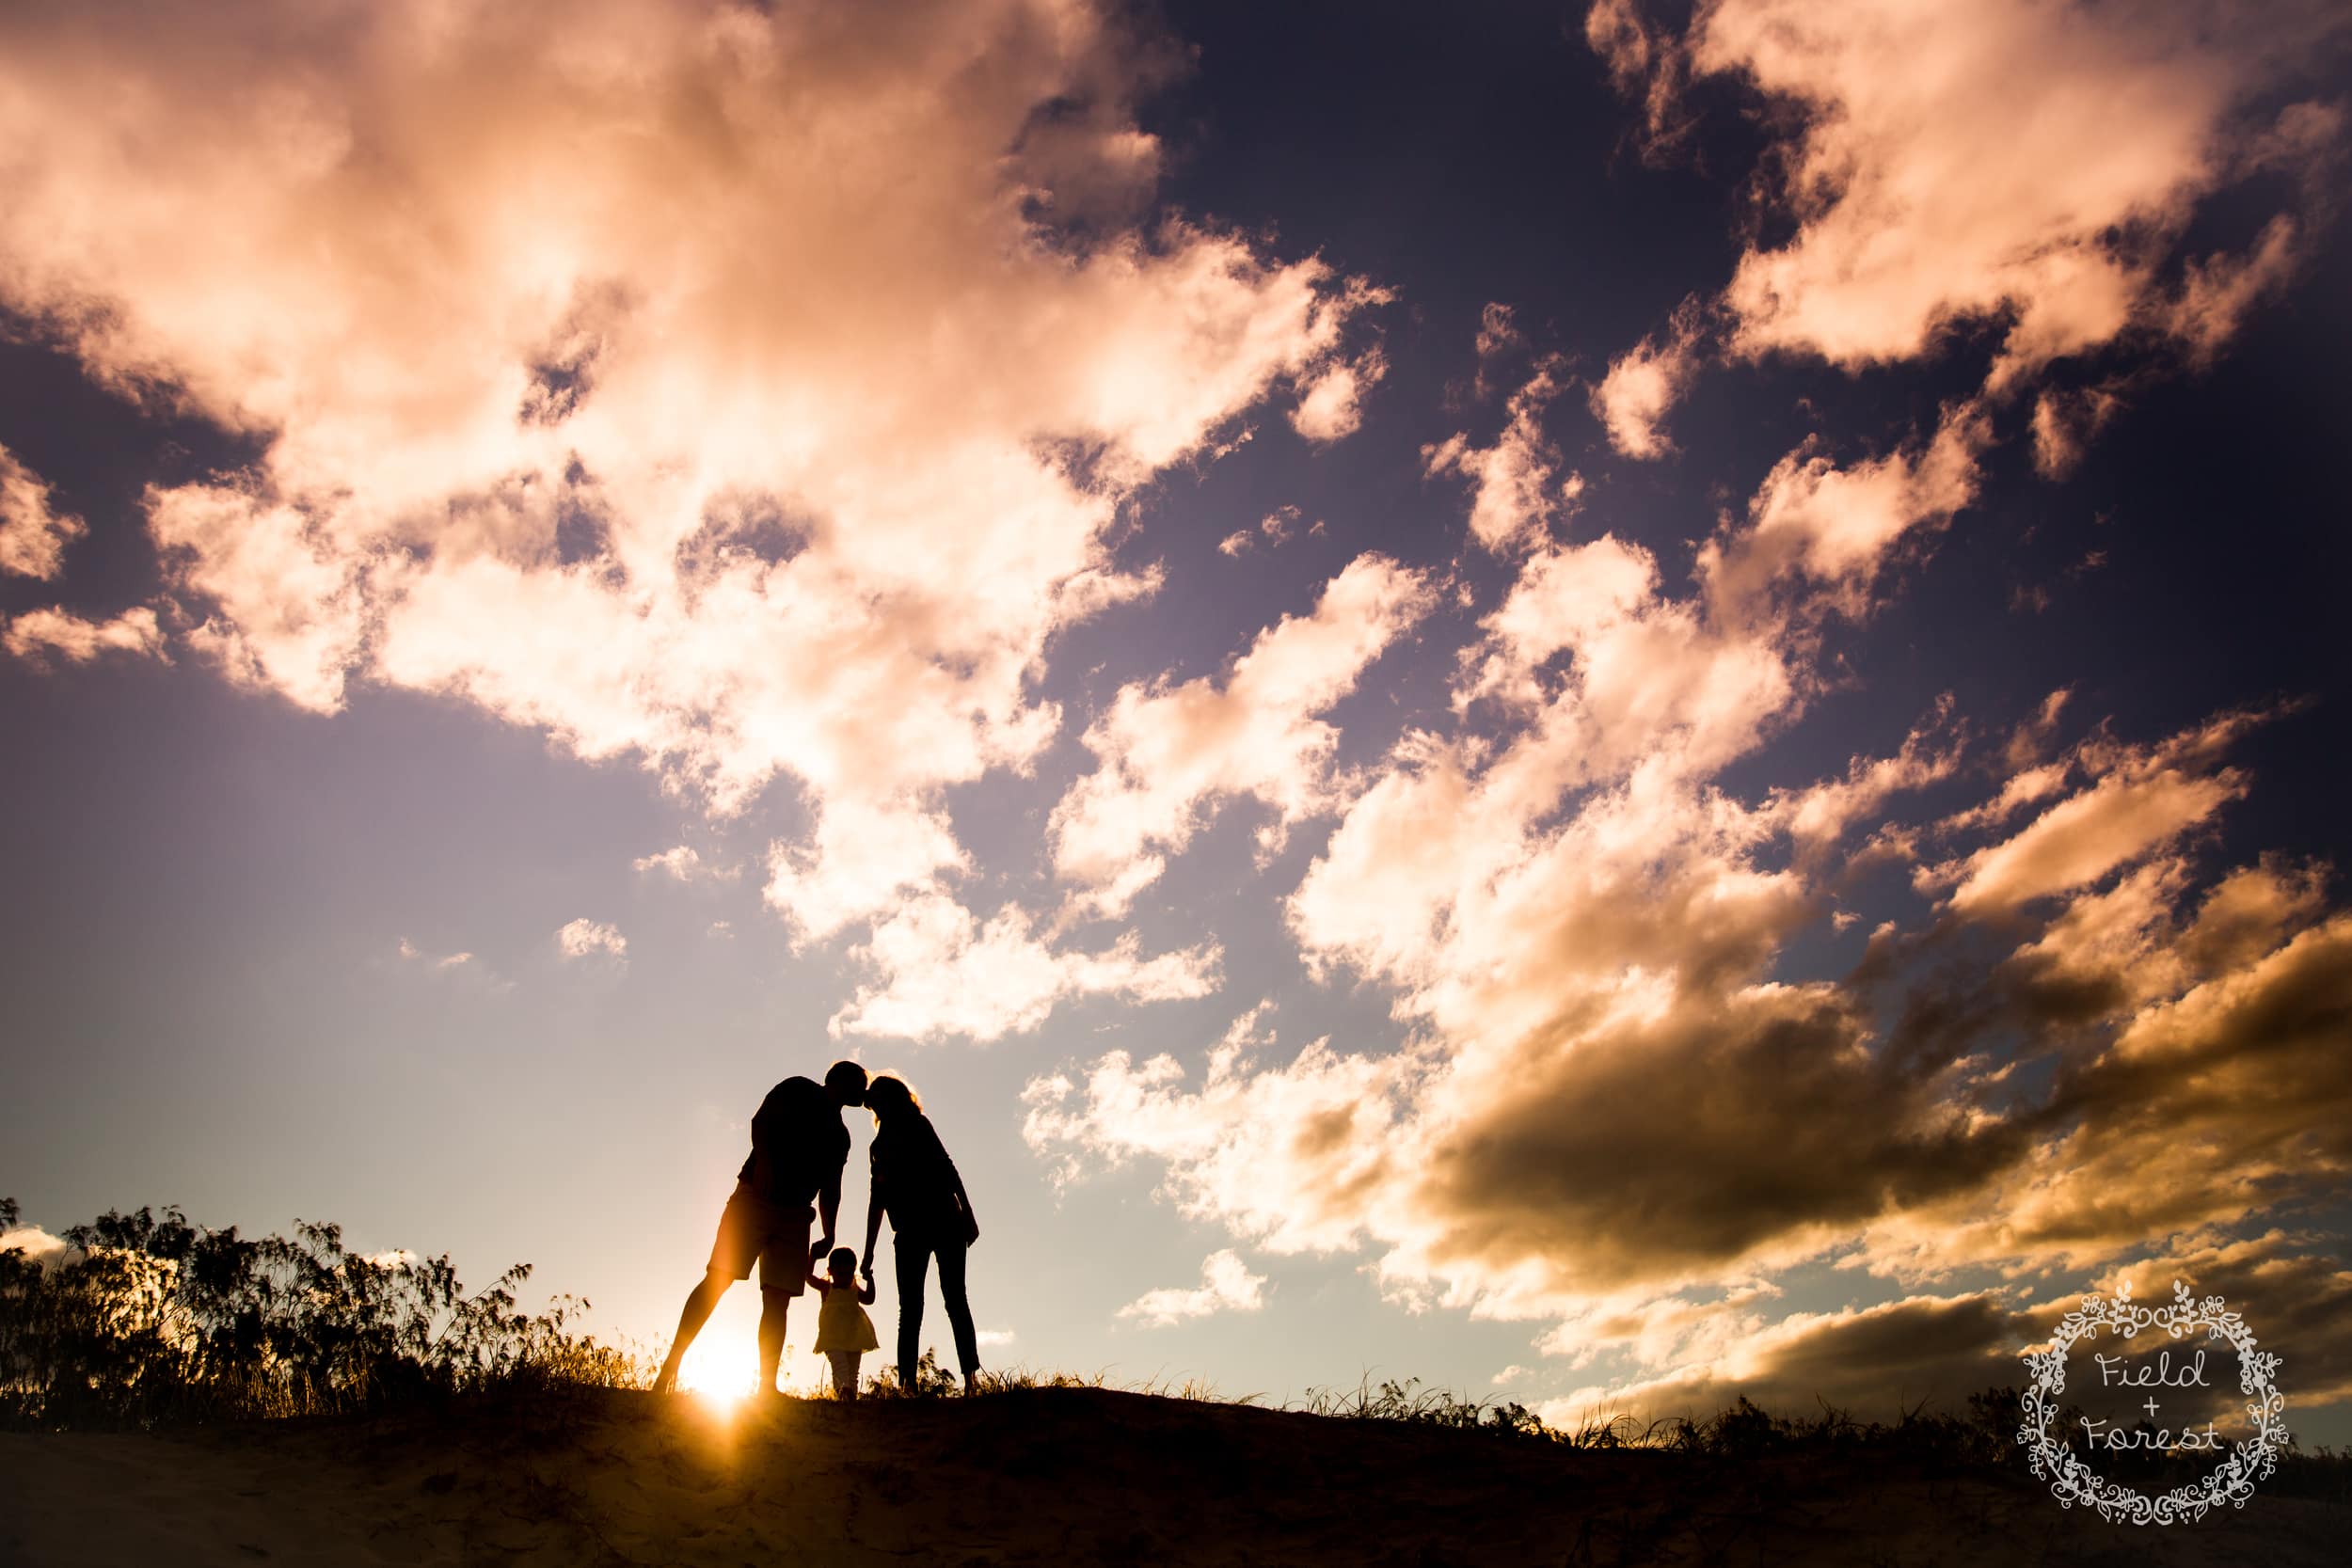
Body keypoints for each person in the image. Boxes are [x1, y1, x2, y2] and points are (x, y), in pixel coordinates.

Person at [652, 1058, 869, 1397]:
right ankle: (671, 1364)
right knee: (718, 1279)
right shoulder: (799, 1088)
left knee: (777, 1300)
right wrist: (765, 1161)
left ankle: (767, 1386)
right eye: (860, 1082)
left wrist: (830, 1230)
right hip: (754, 1198)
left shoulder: (840, 1137)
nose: (864, 1090)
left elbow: (832, 1185)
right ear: (840, 1080)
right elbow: (761, 1122)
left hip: (796, 1213)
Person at [859, 1071, 982, 1394]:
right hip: (911, 1231)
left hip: (944, 1221)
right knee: (912, 1308)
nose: (877, 1108)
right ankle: (907, 1383)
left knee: (953, 1298)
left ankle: (970, 1377)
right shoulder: (878, 1147)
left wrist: (968, 1212)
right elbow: (877, 1201)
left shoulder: (918, 1126)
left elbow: (947, 1167)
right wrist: (869, 1251)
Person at [807, 1245, 880, 1400]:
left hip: (854, 1336)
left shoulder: (854, 1289)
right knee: (839, 1365)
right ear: (830, 1271)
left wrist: (870, 1279)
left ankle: (850, 1397)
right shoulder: (826, 1287)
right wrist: (812, 1257)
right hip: (832, 1338)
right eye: (841, 1273)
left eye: (849, 1274)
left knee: (853, 1370)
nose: (845, 1278)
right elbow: (808, 1277)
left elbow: (869, 1299)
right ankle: (842, 1392)